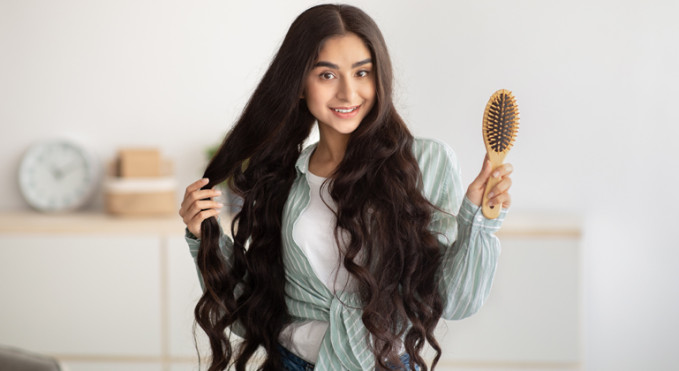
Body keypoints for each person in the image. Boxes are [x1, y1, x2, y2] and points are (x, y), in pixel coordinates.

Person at [178, 4, 513, 371]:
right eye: (327, 75)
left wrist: (478, 222)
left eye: (362, 73)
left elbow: (453, 301)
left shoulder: (424, 163)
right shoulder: (282, 179)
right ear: (299, 85)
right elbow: (250, 314)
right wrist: (204, 238)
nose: (348, 92)